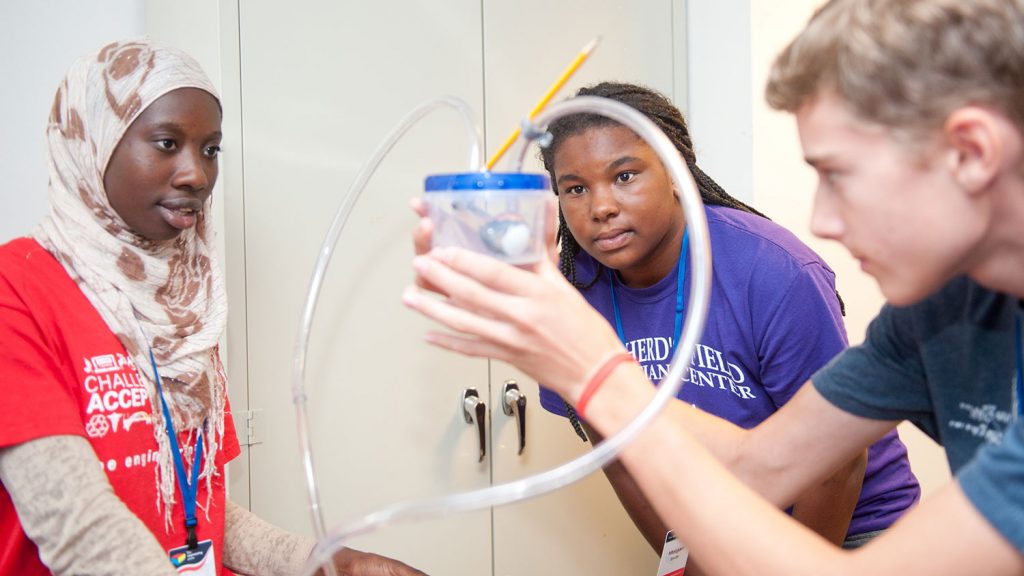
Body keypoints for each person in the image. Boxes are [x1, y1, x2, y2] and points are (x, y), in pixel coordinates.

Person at [402, 0, 1024, 573]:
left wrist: (592, 369)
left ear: (971, 153)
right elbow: (759, 466)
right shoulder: (934, 316)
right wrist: (567, 354)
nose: (821, 221)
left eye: (839, 175)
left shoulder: (775, 268)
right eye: (575, 189)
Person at [0, 39, 425, 576]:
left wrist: (326, 564)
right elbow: (78, 529)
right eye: (166, 142)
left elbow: (201, 514)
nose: (196, 175)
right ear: (95, 145)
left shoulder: (184, 306)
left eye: (210, 149)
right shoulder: (15, 289)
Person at [531, 81, 919, 560]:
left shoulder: (774, 271)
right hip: (720, 526)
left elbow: (837, 467)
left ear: (676, 171)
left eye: (625, 176)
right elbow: (622, 457)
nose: (601, 207)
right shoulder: (575, 291)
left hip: (853, 532)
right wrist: (694, 565)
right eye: (575, 189)